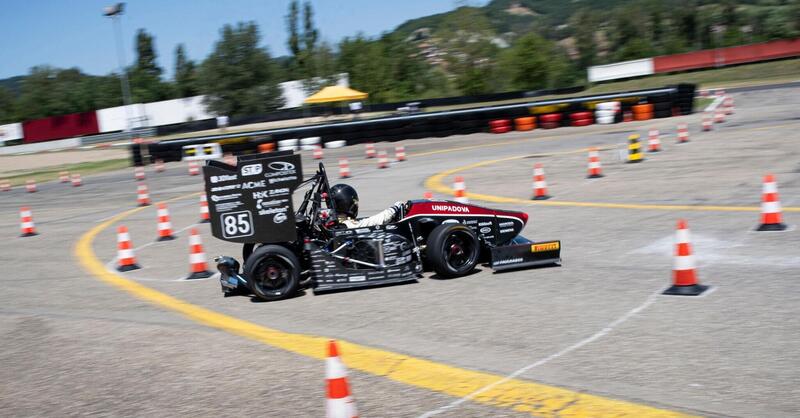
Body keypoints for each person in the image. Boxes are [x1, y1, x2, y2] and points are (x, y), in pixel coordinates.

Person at [329, 184, 405, 228]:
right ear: (347, 204)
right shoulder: (347, 225)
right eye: (355, 202)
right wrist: (393, 210)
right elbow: (371, 222)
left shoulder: (332, 223)